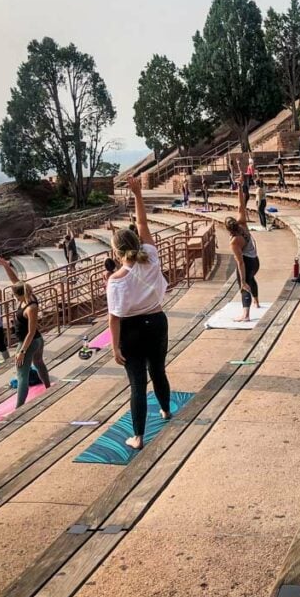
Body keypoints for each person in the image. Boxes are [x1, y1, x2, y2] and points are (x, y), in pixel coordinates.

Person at [103, 175, 170, 450]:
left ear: (116, 252)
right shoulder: (151, 257)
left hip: (131, 331)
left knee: (137, 383)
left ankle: (138, 437)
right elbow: (142, 224)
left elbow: (114, 317)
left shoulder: (116, 280)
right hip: (156, 321)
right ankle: (166, 411)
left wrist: (114, 347)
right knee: (158, 369)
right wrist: (138, 194)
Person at [0, 256, 52, 408]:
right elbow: (16, 281)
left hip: (30, 343)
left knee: (22, 376)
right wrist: (6, 266)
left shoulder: (31, 308)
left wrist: (22, 351)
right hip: (37, 342)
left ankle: (19, 407)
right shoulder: (27, 295)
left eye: (14, 295)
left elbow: (31, 331)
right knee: (39, 364)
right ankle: (48, 389)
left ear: (19, 294)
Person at [226, 182, 261, 322]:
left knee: (244, 285)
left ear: (228, 229)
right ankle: (256, 302)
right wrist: (240, 188)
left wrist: (242, 279)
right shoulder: (243, 223)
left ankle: (245, 315)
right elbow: (241, 205)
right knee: (252, 279)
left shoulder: (234, 241)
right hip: (256, 261)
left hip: (247, 262)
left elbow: (240, 262)